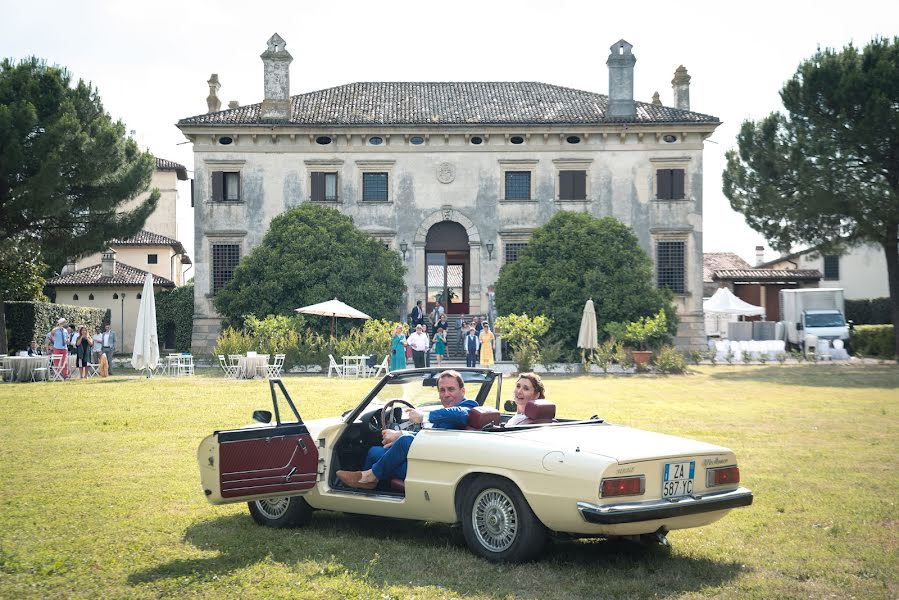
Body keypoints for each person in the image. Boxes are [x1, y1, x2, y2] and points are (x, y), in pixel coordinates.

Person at [337, 370, 477, 489]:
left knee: (405, 441)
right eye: (442, 390)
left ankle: (369, 477)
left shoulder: (469, 406)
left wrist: (422, 417)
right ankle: (363, 496)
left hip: (434, 469)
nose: (446, 394)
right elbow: (432, 435)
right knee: (374, 452)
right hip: (426, 459)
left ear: (462, 391)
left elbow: (460, 416)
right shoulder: (445, 412)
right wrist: (401, 433)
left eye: (451, 389)